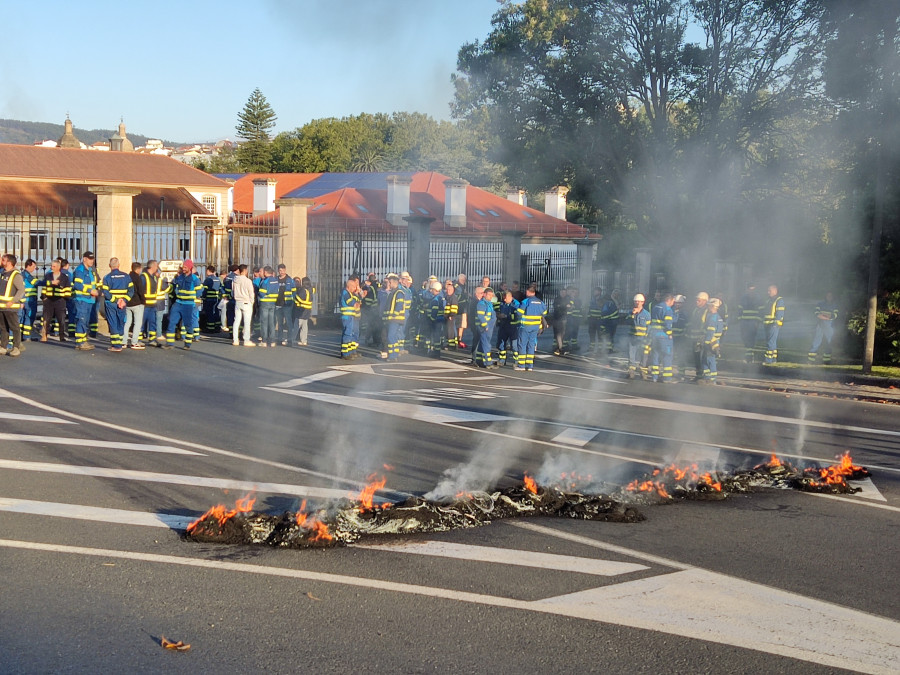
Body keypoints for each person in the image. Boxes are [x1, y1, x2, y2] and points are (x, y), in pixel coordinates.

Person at [164, 259, 203, 350]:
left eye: (185, 267)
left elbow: (200, 291)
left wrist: (194, 298)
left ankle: (187, 344)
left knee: (188, 324)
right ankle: (169, 343)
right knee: (172, 321)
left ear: (190, 268)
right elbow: (173, 288)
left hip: (188, 305)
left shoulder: (194, 279)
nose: (184, 269)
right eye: (183, 267)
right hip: (178, 303)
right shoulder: (179, 277)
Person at [101, 258, 134, 352]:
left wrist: (115, 300)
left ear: (109, 266)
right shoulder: (126, 276)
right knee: (121, 322)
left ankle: (116, 345)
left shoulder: (107, 277)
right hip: (122, 304)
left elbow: (106, 292)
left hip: (111, 303)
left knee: (113, 323)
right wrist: (123, 301)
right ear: (119, 265)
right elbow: (131, 291)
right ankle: (119, 342)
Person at [71, 251, 100, 351]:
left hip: (89, 300)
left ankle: (83, 340)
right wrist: (90, 290)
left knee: (86, 321)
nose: (92, 261)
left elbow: (95, 282)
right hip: (82, 299)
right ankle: (80, 342)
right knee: (81, 320)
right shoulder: (80, 270)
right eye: (89, 259)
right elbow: (77, 285)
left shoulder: (91, 270)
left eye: (93, 259)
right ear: (84, 259)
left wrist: (98, 290)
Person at [515, 284, 547, 372]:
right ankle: (530, 366)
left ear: (528, 292)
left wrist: (517, 308)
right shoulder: (540, 302)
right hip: (535, 327)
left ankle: (521, 365)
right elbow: (545, 312)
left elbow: (519, 313)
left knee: (522, 344)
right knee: (531, 345)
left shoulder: (526, 301)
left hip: (525, 326)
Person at [0, 254, 25, 356]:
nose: (2, 261)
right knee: (3, 328)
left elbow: (21, 290)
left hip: (11, 307)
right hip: (2, 306)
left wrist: (13, 301)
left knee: (14, 327)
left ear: (9, 263)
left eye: (4, 260)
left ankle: (16, 347)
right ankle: (3, 346)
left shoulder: (16, 275)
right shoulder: (3, 273)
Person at [39, 257, 69, 342]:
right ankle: (44, 335)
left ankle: (61, 336)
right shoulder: (48, 276)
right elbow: (44, 286)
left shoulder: (64, 277)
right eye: (52, 266)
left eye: (54, 266)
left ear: (59, 267)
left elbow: (68, 289)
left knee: (61, 319)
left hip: (60, 301)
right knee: (46, 319)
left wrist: (65, 298)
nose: (52, 268)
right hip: (49, 300)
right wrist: (44, 298)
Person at [649, 293, 675, 383]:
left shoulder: (656, 307)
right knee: (667, 355)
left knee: (655, 355)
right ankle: (667, 378)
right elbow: (668, 324)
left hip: (654, 335)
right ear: (669, 300)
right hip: (663, 336)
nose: (673, 303)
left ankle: (654, 377)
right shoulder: (668, 309)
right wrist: (670, 334)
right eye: (673, 301)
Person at [699, 298, 725, 384]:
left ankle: (712, 379)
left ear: (713, 306)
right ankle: (707, 377)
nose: (708, 308)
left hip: (711, 342)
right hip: (713, 342)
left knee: (710, 360)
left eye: (709, 306)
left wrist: (706, 342)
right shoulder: (715, 316)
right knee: (705, 359)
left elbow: (710, 331)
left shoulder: (713, 317)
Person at [809, 291, 838, 364]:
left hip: (829, 325)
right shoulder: (820, 304)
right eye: (828, 296)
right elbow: (816, 313)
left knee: (829, 342)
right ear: (825, 296)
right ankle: (811, 360)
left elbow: (835, 315)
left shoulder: (834, 305)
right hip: (820, 324)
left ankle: (826, 360)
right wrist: (823, 317)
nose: (829, 297)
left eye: (830, 296)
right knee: (816, 341)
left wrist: (827, 317)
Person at [382, 273, 407, 361]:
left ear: (392, 282)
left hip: (395, 319)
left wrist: (393, 315)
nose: (388, 284)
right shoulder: (394, 292)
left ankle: (393, 355)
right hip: (393, 319)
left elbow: (399, 305)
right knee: (393, 337)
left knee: (391, 336)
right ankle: (394, 354)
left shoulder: (398, 293)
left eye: (389, 282)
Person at [628, 293, 651, 379]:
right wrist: (633, 315)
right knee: (631, 354)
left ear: (643, 302)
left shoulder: (647, 314)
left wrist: (647, 337)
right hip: (633, 337)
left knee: (644, 355)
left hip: (643, 338)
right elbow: (627, 322)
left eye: (639, 302)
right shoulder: (630, 312)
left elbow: (649, 327)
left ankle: (643, 372)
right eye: (636, 301)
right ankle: (631, 371)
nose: (637, 303)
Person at [231, 264, 255, 347]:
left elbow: (232, 291)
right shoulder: (248, 281)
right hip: (246, 302)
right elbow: (251, 293)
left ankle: (235, 339)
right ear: (244, 271)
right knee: (247, 322)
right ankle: (246, 340)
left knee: (236, 321)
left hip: (238, 301)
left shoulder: (234, 280)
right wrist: (252, 301)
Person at [762, 284, 785, 364]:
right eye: (768, 291)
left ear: (775, 291)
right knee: (772, 341)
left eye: (770, 291)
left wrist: (776, 323)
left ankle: (768, 360)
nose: (768, 292)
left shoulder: (779, 300)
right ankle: (774, 359)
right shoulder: (768, 300)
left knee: (770, 342)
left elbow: (780, 313)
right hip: (767, 324)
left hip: (773, 325)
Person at [124, 261, 145, 349]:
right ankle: (134, 342)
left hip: (128, 303)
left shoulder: (127, 277)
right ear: (138, 269)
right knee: (137, 323)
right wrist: (143, 301)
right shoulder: (137, 278)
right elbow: (140, 290)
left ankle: (123, 342)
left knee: (127, 322)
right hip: (137, 303)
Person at [339, 277, 362, 359]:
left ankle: (350, 351)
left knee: (351, 334)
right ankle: (345, 353)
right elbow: (353, 303)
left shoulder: (349, 293)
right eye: (354, 286)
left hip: (351, 316)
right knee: (347, 334)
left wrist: (357, 294)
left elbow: (359, 301)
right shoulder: (345, 293)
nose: (355, 288)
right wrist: (356, 303)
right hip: (347, 316)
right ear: (349, 286)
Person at [737, 282, 760, 362]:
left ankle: (749, 357)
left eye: (753, 289)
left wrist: (757, 321)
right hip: (744, 322)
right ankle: (749, 355)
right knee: (745, 338)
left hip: (753, 322)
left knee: (751, 339)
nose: (751, 291)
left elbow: (760, 310)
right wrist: (740, 320)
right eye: (750, 289)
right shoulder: (743, 298)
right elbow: (740, 309)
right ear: (747, 289)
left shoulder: (758, 298)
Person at [689, 292, 710, 379]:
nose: (696, 302)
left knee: (702, 358)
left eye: (699, 300)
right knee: (696, 357)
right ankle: (698, 375)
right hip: (695, 338)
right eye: (696, 300)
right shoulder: (695, 310)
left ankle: (704, 376)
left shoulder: (707, 311)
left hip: (702, 338)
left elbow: (707, 325)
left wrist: (703, 337)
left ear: (705, 301)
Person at [256, 266, 278, 347]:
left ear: (265, 272)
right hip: (273, 303)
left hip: (265, 303)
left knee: (264, 322)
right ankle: (272, 341)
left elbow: (262, 293)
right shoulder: (275, 280)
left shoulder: (265, 281)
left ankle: (264, 341)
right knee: (271, 322)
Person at [273, 264, 295, 345]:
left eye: (282, 270)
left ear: (285, 270)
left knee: (289, 322)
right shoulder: (275, 280)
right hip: (278, 304)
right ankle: (280, 339)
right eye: (279, 270)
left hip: (287, 305)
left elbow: (294, 291)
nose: (281, 272)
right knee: (280, 323)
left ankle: (290, 339)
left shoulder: (290, 280)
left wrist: (292, 302)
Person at [475, 287, 497, 368]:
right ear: (484, 294)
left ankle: (479, 360)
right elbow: (481, 316)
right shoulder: (482, 304)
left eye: (492, 295)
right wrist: (485, 326)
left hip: (489, 327)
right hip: (484, 327)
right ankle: (488, 362)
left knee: (482, 343)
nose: (491, 297)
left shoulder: (489, 303)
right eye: (489, 295)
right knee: (486, 345)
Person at [496, 290, 519, 365]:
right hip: (503, 326)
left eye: (506, 298)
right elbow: (498, 309)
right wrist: (498, 315)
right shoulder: (503, 303)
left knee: (514, 345)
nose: (504, 300)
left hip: (513, 327)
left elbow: (517, 316)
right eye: (504, 298)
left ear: (510, 297)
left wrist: (506, 316)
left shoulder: (516, 304)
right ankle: (502, 360)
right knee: (501, 344)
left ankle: (517, 361)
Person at [18, 259, 38, 342]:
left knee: (22, 317)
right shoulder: (27, 275)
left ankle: (22, 335)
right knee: (29, 317)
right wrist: (48, 282)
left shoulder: (22, 274)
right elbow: (35, 283)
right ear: (29, 265)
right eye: (33, 266)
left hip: (24, 299)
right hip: (29, 299)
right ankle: (26, 336)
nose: (34, 268)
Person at [426, 280, 446, 357]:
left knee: (435, 335)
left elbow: (434, 311)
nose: (431, 291)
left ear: (435, 290)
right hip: (440, 319)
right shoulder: (441, 298)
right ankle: (437, 350)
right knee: (438, 335)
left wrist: (431, 318)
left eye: (432, 290)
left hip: (435, 320)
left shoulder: (435, 299)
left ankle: (436, 351)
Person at [292, 276, 313, 346]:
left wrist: (295, 298)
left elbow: (299, 299)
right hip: (308, 310)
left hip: (301, 310)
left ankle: (291, 339)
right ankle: (304, 340)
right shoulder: (311, 289)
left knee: (296, 325)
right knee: (304, 326)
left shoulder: (303, 290)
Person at [201, 265, 222, 333]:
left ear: (208, 271)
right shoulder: (217, 279)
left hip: (209, 299)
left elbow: (204, 290)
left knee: (210, 313)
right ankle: (217, 327)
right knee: (216, 312)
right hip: (216, 299)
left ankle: (210, 328)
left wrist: (203, 297)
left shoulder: (208, 279)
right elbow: (221, 289)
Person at [599, 289, 620, 354]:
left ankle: (610, 348)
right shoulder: (609, 302)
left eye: (617, 294)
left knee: (611, 335)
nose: (616, 295)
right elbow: (606, 312)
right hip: (609, 322)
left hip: (613, 322)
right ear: (613, 294)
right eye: (615, 294)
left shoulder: (614, 301)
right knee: (608, 335)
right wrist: (616, 311)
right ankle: (607, 349)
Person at [551, 287, 569, 355]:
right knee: (558, 333)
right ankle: (560, 348)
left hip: (564, 319)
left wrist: (566, 306)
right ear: (560, 292)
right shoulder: (557, 299)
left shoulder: (567, 298)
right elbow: (556, 307)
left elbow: (571, 306)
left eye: (564, 292)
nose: (563, 294)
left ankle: (559, 348)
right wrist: (565, 306)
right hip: (557, 318)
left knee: (562, 334)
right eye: (562, 292)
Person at [587, 287, 604, 352]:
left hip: (599, 320)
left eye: (596, 291)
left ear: (599, 292)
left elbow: (601, 307)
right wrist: (589, 317)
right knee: (591, 333)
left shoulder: (602, 299)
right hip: (592, 319)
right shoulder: (592, 299)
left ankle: (600, 348)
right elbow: (590, 308)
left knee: (600, 334)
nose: (594, 292)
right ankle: (591, 347)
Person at [444, 280, 459, 348]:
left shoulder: (453, 298)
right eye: (447, 289)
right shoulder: (447, 297)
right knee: (447, 331)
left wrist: (451, 315)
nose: (448, 291)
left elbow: (454, 308)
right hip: (446, 316)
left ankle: (452, 345)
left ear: (453, 290)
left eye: (450, 290)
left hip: (451, 317)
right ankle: (448, 343)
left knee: (451, 331)